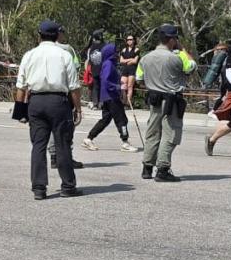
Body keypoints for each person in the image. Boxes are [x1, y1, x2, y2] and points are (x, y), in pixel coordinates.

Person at [16, 20, 83, 199]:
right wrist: (78, 108)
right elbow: (74, 86)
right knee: (62, 144)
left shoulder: (29, 55)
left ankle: (39, 188)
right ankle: (68, 186)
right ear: (57, 35)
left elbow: (21, 86)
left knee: (38, 145)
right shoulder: (64, 55)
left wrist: (20, 111)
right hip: (58, 102)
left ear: (39, 35)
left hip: (35, 101)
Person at [136, 24, 196, 182]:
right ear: (172, 39)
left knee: (152, 133)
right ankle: (163, 169)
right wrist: (183, 50)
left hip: (154, 99)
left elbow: (139, 79)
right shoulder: (176, 58)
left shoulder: (145, 58)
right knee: (170, 134)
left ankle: (147, 167)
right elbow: (191, 67)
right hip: (171, 101)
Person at [81, 38, 140, 152]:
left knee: (105, 119)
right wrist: (119, 87)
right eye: (115, 51)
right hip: (112, 96)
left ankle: (89, 138)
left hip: (107, 96)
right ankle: (125, 142)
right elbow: (106, 81)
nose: (117, 53)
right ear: (110, 53)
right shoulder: (108, 64)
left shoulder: (109, 63)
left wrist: (119, 82)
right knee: (121, 119)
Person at [49, 24, 85, 170]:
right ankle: (66, 156)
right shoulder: (67, 49)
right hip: (64, 93)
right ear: (59, 34)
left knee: (51, 127)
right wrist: (78, 107)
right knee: (66, 127)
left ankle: (53, 156)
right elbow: (76, 67)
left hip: (45, 93)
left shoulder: (40, 50)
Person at [202, 40, 231, 156]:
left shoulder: (227, 61)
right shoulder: (228, 61)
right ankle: (212, 139)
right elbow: (227, 80)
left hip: (230, 94)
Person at [119, 34, 140, 99]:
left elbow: (135, 61)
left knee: (130, 86)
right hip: (125, 69)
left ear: (134, 40)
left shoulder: (136, 49)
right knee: (123, 85)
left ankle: (128, 102)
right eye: (128, 40)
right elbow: (121, 61)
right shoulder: (124, 50)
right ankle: (124, 100)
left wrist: (126, 60)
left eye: (131, 39)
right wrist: (130, 59)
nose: (129, 41)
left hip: (132, 69)